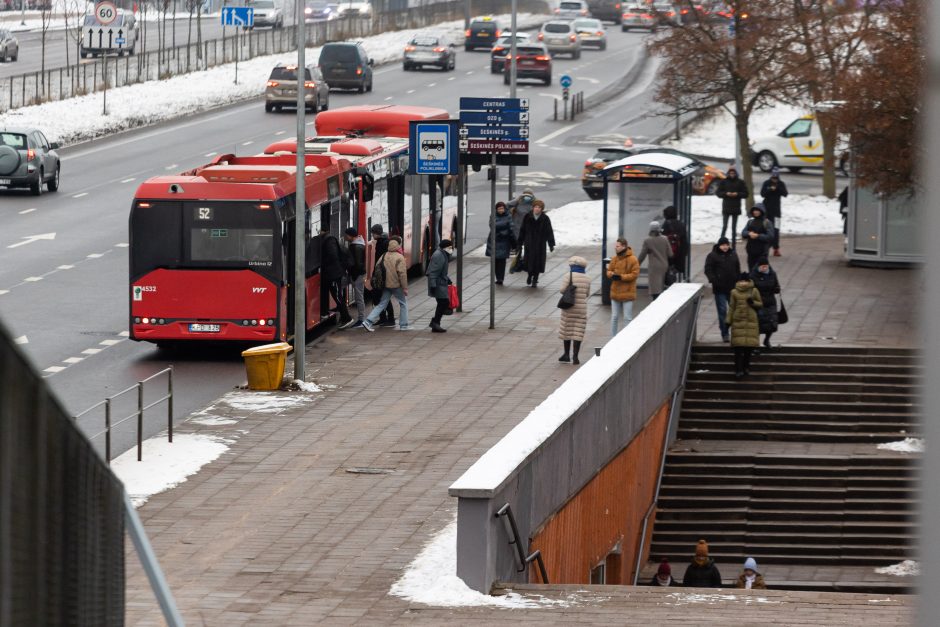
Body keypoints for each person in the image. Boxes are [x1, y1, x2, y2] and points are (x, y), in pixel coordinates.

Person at [362, 236, 409, 332]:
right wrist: (405, 287)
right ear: (398, 245)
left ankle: (367, 321)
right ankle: (404, 325)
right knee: (403, 303)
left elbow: (377, 268)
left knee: (382, 304)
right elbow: (402, 274)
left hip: (385, 285)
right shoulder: (399, 257)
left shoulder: (384, 255)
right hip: (396, 285)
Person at [703, 236, 741, 343]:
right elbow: (708, 269)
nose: (725, 247)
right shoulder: (712, 256)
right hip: (720, 288)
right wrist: (714, 280)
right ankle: (725, 333)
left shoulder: (733, 254)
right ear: (719, 245)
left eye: (726, 245)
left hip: (732, 287)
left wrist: (738, 280)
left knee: (734, 311)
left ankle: (734, 331)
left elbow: (737, 268)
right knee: (722, 311)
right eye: (723, 245)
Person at [727, 272, 762, 378]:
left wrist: (752, 303)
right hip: (738, 321)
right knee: (738, 349)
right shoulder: (734, 292)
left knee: (748, 349)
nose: (743, 283)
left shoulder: (754, 290)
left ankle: (746, 368)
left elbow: (760, 304)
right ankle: (738, 370)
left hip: (751, 322)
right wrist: (728, 320)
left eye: (745, 281)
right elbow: (732, 307)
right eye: (741, 281)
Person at [318, 225, 354, 328]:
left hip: (333, 274)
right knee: (331, 293)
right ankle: (325, 312)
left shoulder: (329, 240)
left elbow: (332, 255)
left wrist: (324, 264)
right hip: (330, 273)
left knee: (338, 296)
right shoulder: (327, 239)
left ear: (322, 230)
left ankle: (347, 318)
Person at [558, 256, 591, 365]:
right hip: (581, 308)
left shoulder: (569, 275)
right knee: (578, 331)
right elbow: (587, 294)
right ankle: (575, 357)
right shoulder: (587, 278)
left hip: (569, 307)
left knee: (567, 329)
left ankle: (566, 354)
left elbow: (562, 290)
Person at [518, 199, 555, 287]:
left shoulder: (545, 218)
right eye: (536, 207)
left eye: (539, 207)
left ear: (542, 209)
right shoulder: (527, 216)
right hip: (529, 243)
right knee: (529, 261)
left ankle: (535, 279)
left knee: (538, 262)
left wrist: (551, 244)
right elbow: (522, 230)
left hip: (540, 244)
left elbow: (549, 231)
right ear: (533, 207)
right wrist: (519, 243)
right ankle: (530, 275)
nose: (537, 209)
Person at [606, 237, 639, 336]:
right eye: (615, 246)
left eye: (617, 246)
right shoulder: (614, 259)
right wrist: (611, 274)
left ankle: (626, 338)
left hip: (628, 293)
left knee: (627, 317)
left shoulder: (633, 259)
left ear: (624, 246)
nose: (615, 248)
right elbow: (608, 271)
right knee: (614, 317)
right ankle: (613, 338)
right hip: (615, 292)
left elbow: (635, 274)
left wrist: (621, 277)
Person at [749, 257, 781, 350]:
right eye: (763, 266)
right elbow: (751, 289)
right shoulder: (753, 275)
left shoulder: (772, 273)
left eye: (766, 266)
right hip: (759, 302)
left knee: (772, 323)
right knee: (760, 324)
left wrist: (777, 289)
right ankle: (756, 344)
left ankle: (767, 340)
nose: (765, 268)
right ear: (759, 266)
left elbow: (776, 284)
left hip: (770, 302)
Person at [637, 221, 672, 300]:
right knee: (662, 286)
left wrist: (636, 264)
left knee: (655, 289)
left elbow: (642, 255)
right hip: (664, 266)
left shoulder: (647, 241)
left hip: (654, 267)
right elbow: (670, 254)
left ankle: (656, 304)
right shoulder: (665, 238)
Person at [716, 166, 749, 247]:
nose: (732, 175)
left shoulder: (740, 182)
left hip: (736, 207)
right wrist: (726, 194)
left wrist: (737, 194)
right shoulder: (724, 181)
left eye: (733, 173)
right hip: (726, 207)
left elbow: (746, 193)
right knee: (724, 226)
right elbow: (718, 193)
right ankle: (721, 244)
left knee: (734, 228)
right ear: (728, 174)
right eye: (730, 173)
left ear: (735, 174)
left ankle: (733, 246)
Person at [369, 224, 395, 327]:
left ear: (377, 233)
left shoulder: (383, 243)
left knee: (380, 297)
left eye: (373, 233)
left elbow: (383, 260)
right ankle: (384, 318)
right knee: (380, 297)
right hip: (380, 274)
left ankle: (389, 319)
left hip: (383, 275)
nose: (372, 235)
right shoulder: (382, 241)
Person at [427, 239, 454, 333]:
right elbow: (433, 271)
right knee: (444, 302)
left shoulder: (443, 254)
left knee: (442, 303)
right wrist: (433, 285)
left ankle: (435, 323)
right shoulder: (439, 255)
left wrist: (447, 279)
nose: (452, 249)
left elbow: (441, 271)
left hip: (441, 282)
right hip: (437, 283)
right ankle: (435, 323)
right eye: (450, 247)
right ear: (445, 247)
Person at [760, 167, 788, 256]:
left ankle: (776, 248)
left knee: (776, 230)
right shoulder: (766, 183)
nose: (774, 179)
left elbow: (785, 194)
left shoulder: (781, 184)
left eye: (776, 178)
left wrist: (777, 189)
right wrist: (770, 189)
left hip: (777, 212)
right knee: (766, 229)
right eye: (773, 177)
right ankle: (765, 247)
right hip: (767, 212)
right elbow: (762, 194)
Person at [508, 188, 537, 274]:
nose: (527, 197)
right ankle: (517, 263)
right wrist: (517, 199)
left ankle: (527, 262)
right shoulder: (518, 202)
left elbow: (540, 209)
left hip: (529, 229)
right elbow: (507, 205)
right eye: (525, 194)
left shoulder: (534, 203)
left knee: (528, 246)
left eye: (529, 195)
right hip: (517, 227)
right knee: (518, 246)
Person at [486, 201, 516, 285]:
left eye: (502, 208)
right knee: (495, 261)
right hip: (494, 241)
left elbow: (511, 227)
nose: (501, 210)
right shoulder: (493, 215)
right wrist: (503, 227)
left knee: (502, 262)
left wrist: (500, 228)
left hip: (504, 242)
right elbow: (492, 225)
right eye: (499, 208)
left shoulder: (508, 216)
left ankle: (500, 278)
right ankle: (497, 277)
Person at [741, 203, 775, 272]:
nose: (755, 212)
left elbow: (770, 236)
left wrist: (758, 236)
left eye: (757, 210)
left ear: (762, 211)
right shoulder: (750, 222)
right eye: (754, 210)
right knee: (751, 270)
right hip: (751, 251)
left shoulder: (767, 222)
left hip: (762, 251)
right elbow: (743, 233)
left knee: (761, 271)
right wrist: (749, 233)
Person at [661, 205, 689, 279]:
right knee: (675, 270)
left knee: (668, 271)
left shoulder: (666, 224)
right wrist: (685, 252)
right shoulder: (681, 224)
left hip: (669, 252)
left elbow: (662, 238)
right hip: (679, 251)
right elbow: (684, 239)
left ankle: (669, 284)